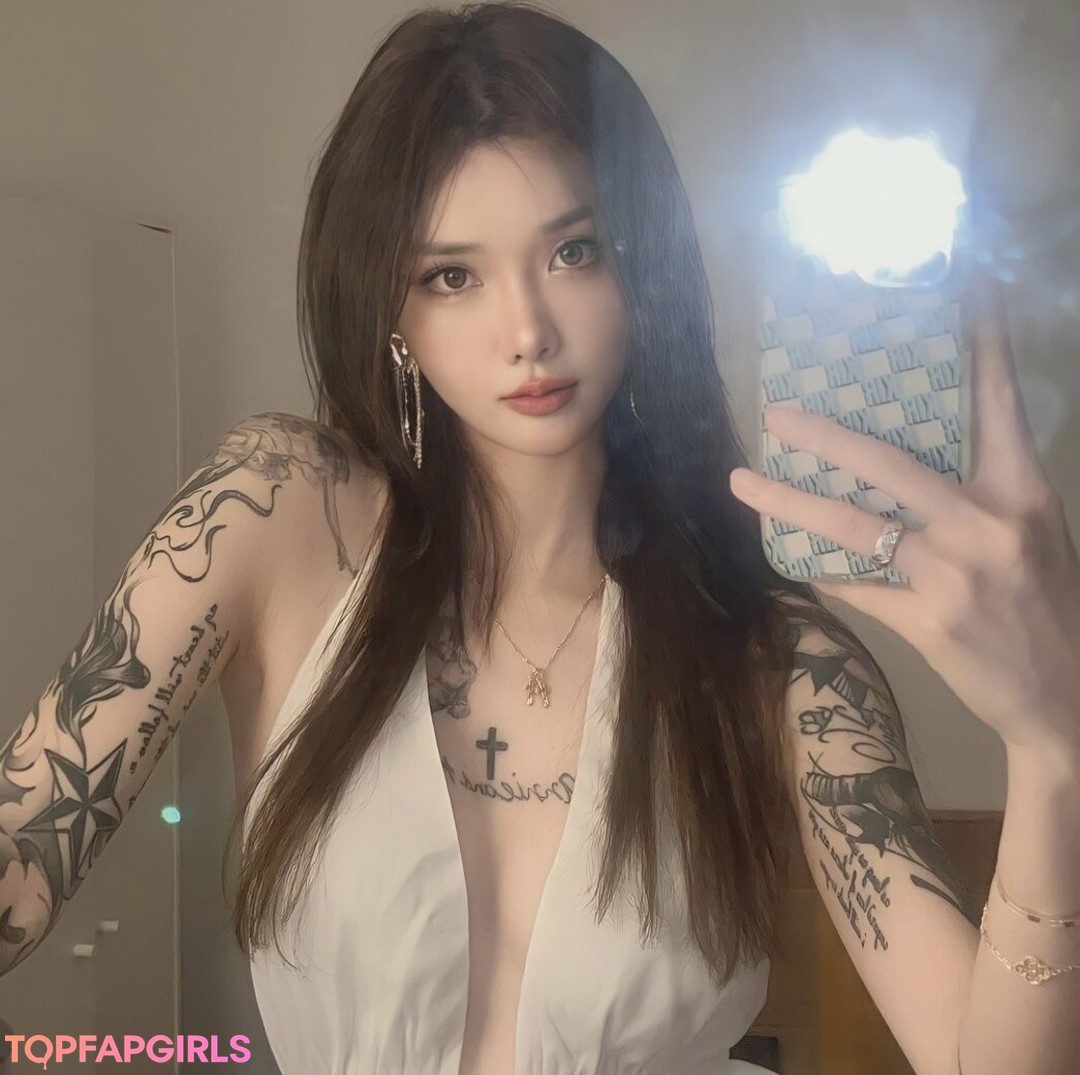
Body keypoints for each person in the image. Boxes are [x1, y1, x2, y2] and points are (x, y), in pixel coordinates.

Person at [4, 3, 1079, 1074]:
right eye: (453, 275)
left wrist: (1053, 748)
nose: (527, 331)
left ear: (642, 267)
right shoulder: (275, 517)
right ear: (392, 312)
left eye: (575, 250)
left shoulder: (780, 664)